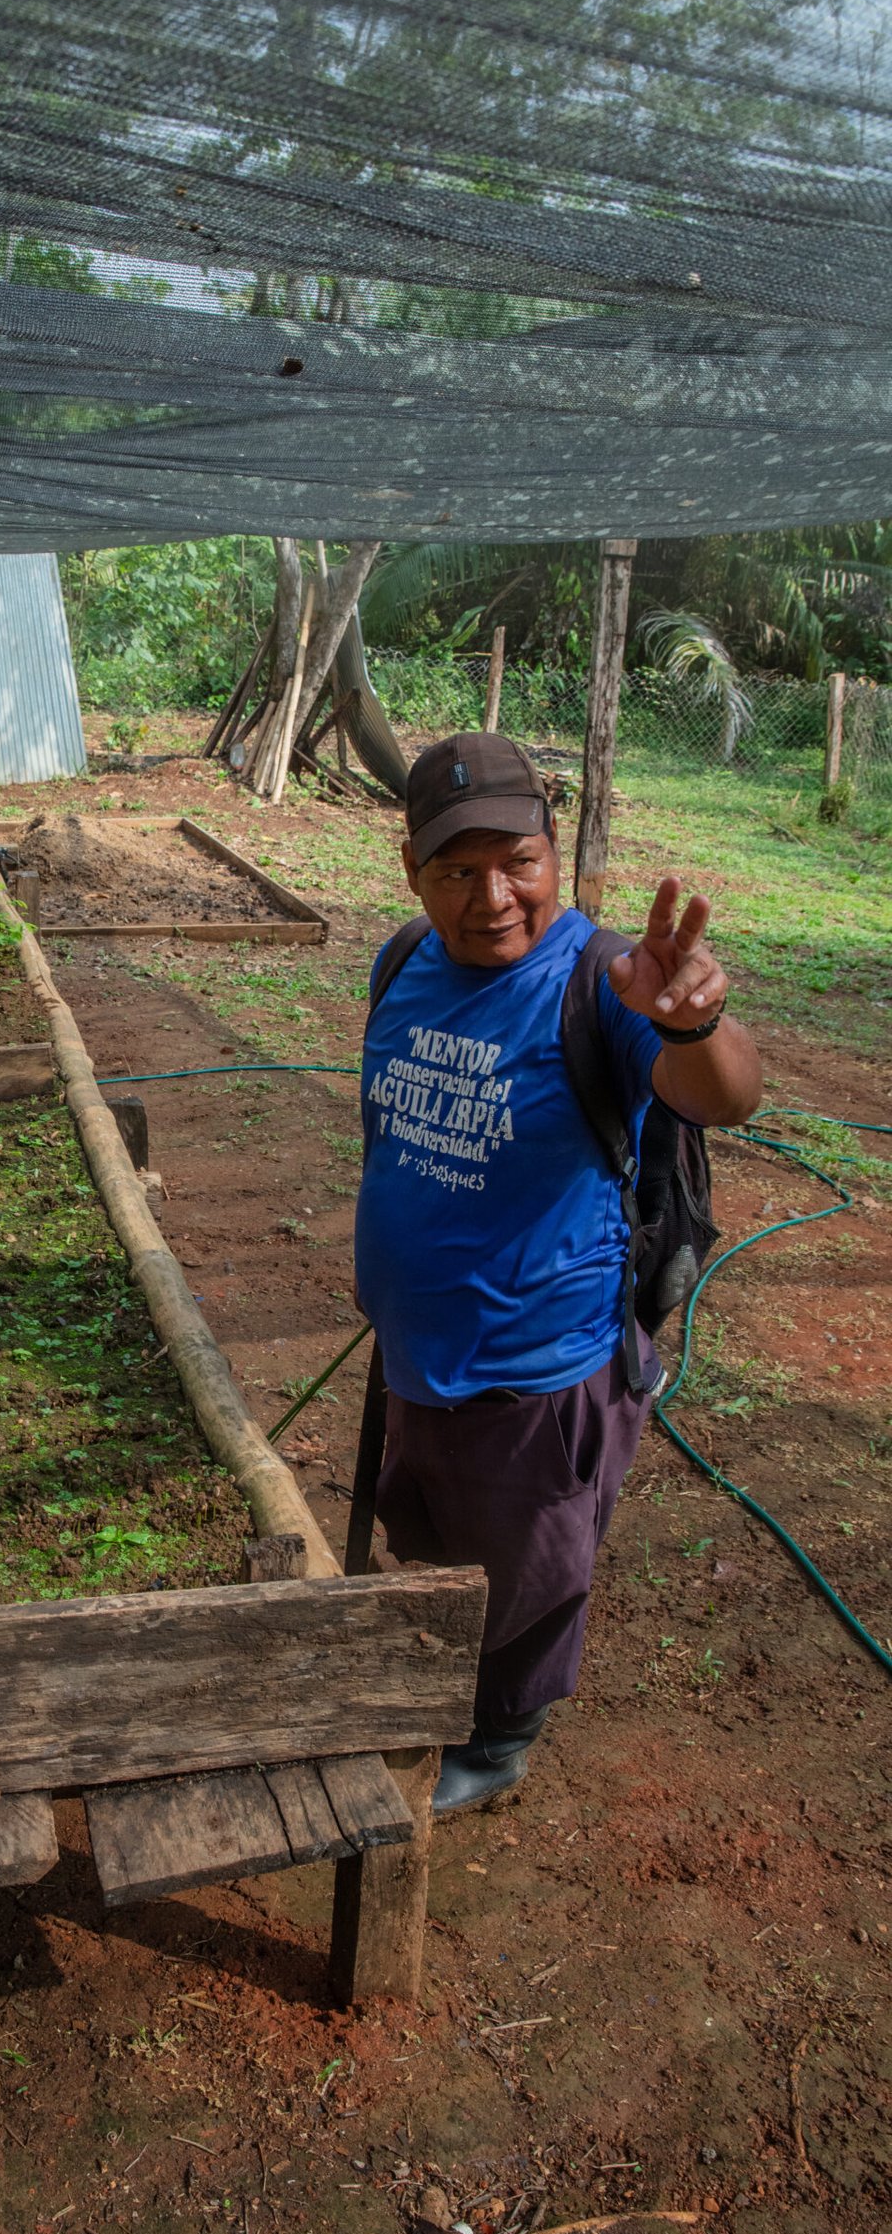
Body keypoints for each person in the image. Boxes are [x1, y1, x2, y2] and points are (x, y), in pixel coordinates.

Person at [353, 732, 762, 1815]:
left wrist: (697, 1025)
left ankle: (499, 1739)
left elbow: (723, 1098)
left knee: (527, 1573)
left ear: (553, 852)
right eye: (457, 870)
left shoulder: (608, 982)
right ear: (413, 872)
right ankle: (451, 1682)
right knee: (434, 1537)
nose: (492, 899)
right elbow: (393, 1138)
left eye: (518, 864)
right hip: (419, 1350)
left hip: (538, 1371)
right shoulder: (403, 961)